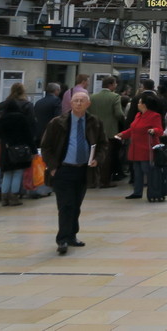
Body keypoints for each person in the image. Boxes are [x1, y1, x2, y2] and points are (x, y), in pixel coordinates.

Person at [40, 91, 107, 255]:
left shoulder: (94, 122)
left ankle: (72, 235)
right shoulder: (58, 122)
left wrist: (97, 159)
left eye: (82, 101)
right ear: (70, 103)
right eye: (75, 100)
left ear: (88, 104)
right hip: (63, 169)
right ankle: (62, 239)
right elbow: (46, 146)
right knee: (66, 205)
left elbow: (103, 144)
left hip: (83, 169)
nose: (78, 103)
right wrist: (53, 166)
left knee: (76, 205)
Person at [0, 84, 34, 206]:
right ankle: (14, 196)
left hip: (5, 147)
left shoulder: (2, 118)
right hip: (19, 147)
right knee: (17, 173)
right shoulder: (21, 118)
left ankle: (4, 198)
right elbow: (28, 133)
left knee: (7, 173)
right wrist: (33, 150)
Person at [115, 93, 163, 200]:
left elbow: (159, 130)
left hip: (146, 149)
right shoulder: (138, 115)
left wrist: (153, 130)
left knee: (148, 171)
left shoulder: (155, 116)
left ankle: (154, 191)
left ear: (145, 105)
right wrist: (123, 134)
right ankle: (137, 192)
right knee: (137, 172)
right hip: (135, 148)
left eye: (140, 102)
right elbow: (133, 129)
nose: (138, 104)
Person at [88, 76, 124, 189]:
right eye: (115, 84)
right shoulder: (115, 97)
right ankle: (105, 181)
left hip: (94, 130)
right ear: (111, 84)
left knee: (93, 155)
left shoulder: (92, 97)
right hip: (109, 131)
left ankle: (93, 180)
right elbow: (118, 113)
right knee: (107, 157)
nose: (116, 86)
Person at [32, 83, 62, 149]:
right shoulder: (56, 101)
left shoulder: (39, 102)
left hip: (38, 133)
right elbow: (58, 118)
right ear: (56, 90)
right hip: (50, 133)